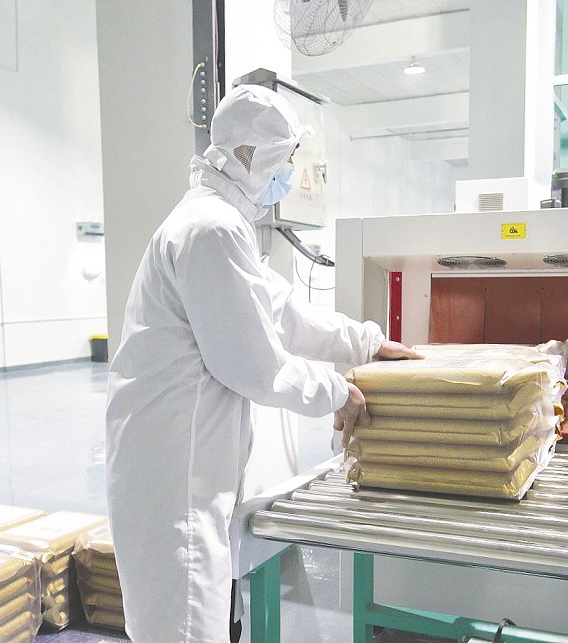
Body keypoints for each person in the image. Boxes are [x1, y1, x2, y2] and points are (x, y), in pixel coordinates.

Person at [105, 84, 420, 643]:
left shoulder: (218, 223)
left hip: (179, 465)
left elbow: (283, 312)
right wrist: (338, 390)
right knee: (183, 629)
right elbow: (254, 366)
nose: (290, 175)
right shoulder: (211, 229)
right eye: (287, 160)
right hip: (175, 476)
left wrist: (367, 344)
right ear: (254, 155)